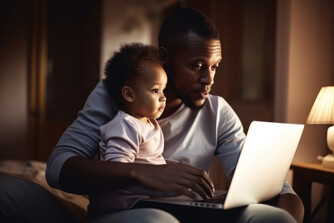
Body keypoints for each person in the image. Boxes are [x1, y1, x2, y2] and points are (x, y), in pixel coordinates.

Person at [45, 8, 304, 223]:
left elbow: (276, 189)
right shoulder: (117, 93)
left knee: (271, 217)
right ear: (165, 57)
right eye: (197, 66)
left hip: (193, 213)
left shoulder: (217, 111)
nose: (209, 79)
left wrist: (287, 215)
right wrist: (142, 173)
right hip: (128, 212)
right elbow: (57, 168)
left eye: (215, 67)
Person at [90, 43, 173, 216]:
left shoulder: (148, 123)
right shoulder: (125, 126)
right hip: (125, 206)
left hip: (144, 199)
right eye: (155, 90)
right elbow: (116, 171)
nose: (163, 97)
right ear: (129, 95)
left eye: (163, 90)